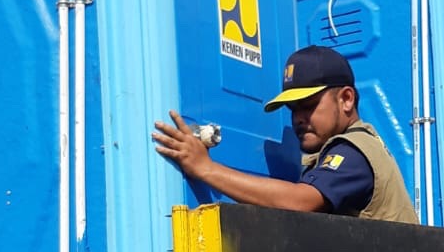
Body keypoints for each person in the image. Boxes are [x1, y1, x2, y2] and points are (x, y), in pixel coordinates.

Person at [153, 45, 418, 223]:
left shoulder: (354, 150)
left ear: (346, 99)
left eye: (309, 106)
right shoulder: (343, 150)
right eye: (293, 109)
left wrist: (205, 168)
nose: (299, 118)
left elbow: (298, 201)